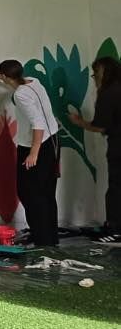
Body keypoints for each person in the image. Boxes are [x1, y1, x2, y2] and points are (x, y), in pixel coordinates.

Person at [0, 59, 61, 247]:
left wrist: (33, 153)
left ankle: (42, 238)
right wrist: (1, 79)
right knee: (46, 192)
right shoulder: (34, 82)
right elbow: (19, 86)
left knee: (29, 192)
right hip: (53, 140)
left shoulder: (20, 95)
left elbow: (37, 124)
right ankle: (48, 238)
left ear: (6, 76)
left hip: (37, 144)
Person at [68, 56, 121, 244]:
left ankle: (115, 230)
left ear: (105, 72)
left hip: (118, 147)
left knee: (116, 188)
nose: (94, 77)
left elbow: (100, 126)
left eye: (95, 73)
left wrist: (79, 122)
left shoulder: (109, 93)